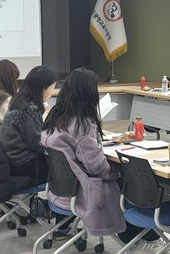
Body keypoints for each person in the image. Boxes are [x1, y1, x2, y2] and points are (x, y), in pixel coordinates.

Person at [41, 68, 126, 239]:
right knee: (129, 180)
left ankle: (64, 225)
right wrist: (116, 173)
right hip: (82, 191)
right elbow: (95, 166)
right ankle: (136, 238)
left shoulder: (55, 116)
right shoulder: (82, 123)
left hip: (60, 190)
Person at [0, 65, 58, 181]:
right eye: (52, 87)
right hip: (22, 163)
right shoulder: (29, 108)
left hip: (11, 161)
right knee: (66, 170)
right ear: (43, 88)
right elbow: (38, 143)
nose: (52, 92)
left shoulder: (19, 102)